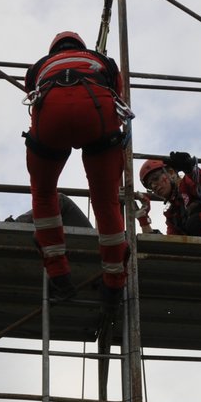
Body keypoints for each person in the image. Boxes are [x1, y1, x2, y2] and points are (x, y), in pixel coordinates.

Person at [22, 30, 132, 303]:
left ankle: (58, 271)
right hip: (97, 117)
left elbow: (32, 93)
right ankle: (114, 280)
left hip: (51, 120)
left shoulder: (38, 66)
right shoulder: (101, 60)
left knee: (44, 193)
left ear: (53, 50)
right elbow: (118, 93)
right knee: (105, 202)